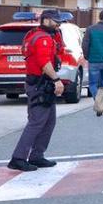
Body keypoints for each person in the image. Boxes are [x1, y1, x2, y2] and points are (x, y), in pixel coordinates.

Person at [8, 10, 72, 171]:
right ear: (46, 20)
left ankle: (37, 156)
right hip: (40, 84)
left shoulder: (36, 34)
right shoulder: (42, 38)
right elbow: (44, 62)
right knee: (37, 122)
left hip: (41, 83)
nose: (58, 24)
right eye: (56, 21)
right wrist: (57, 80)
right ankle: (18, 158)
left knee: (49, 121)